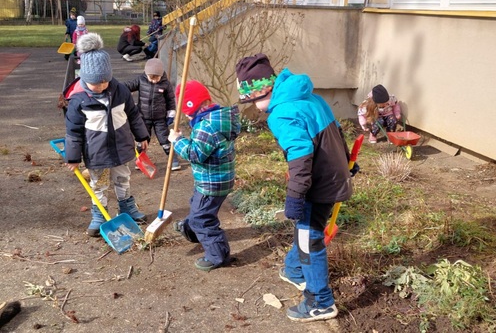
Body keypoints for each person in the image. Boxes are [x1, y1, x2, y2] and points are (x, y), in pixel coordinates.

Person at [235, 53, 356, 323]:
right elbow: (336, 131)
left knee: (309, 240)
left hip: (318, 185)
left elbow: (300, 158)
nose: (256, 107)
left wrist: (295, 197)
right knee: (305, 232)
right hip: (333, 177)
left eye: (255, 100)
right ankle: (294, 270)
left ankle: (320, 302)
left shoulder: (282, 113)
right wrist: (346, 164)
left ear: (267, 90)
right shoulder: (311, 98)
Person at [64, 32, 151, 237]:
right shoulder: (79, 101)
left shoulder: (120, 90)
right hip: (97, 153)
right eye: (96, 83)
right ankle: (99, 215)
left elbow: (133, 114)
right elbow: (73, 132)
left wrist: (141, 135)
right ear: (85, 78)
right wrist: (73, 157)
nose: (102, 86)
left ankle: (126, 206)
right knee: (99, 185)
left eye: (105, 82)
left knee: (123, 178)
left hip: (121, 146)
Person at [167, 80, 241, 271]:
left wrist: (178, 140)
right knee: (197, 206)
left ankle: (218, 256)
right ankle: (190, 230)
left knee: (203, 218)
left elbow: (195, 154)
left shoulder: (206, 127)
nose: (186, 116)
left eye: (187, 112)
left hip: (212, 182)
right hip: (217, 179)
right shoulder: (218, 119)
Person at [123, 58, 181, 170]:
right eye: (151, 78)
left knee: (165, 139)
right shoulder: (141, 80)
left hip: (160, 118)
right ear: (146, 74)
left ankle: (173, 159)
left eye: (157, 78)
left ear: (161, 75)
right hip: (143, 117)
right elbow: (128, 86)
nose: (154, 81)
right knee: (142, 139)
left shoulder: (165, 84)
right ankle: (141, 159)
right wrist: (118, 87)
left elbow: (170, 99)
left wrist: (171, 112)